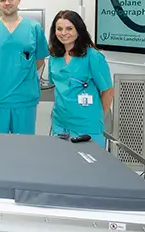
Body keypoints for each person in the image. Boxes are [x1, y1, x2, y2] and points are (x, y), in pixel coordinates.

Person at [0, 0, 49, 135]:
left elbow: (39, 60)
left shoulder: (34, 28)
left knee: (24, 148)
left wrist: (22, 75)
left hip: (25, 97)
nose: (7, 3)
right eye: (3, 0)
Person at [47, 10, 114, 147]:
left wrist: (97, 117)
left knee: (89, 166)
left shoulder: (93, 57)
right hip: (60, 123)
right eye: (59, 29)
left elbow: (108, 91)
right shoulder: (54, 57)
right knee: (62, 165)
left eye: (69, 28)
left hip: (87, 125)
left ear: (79, 30)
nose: (64, 33)